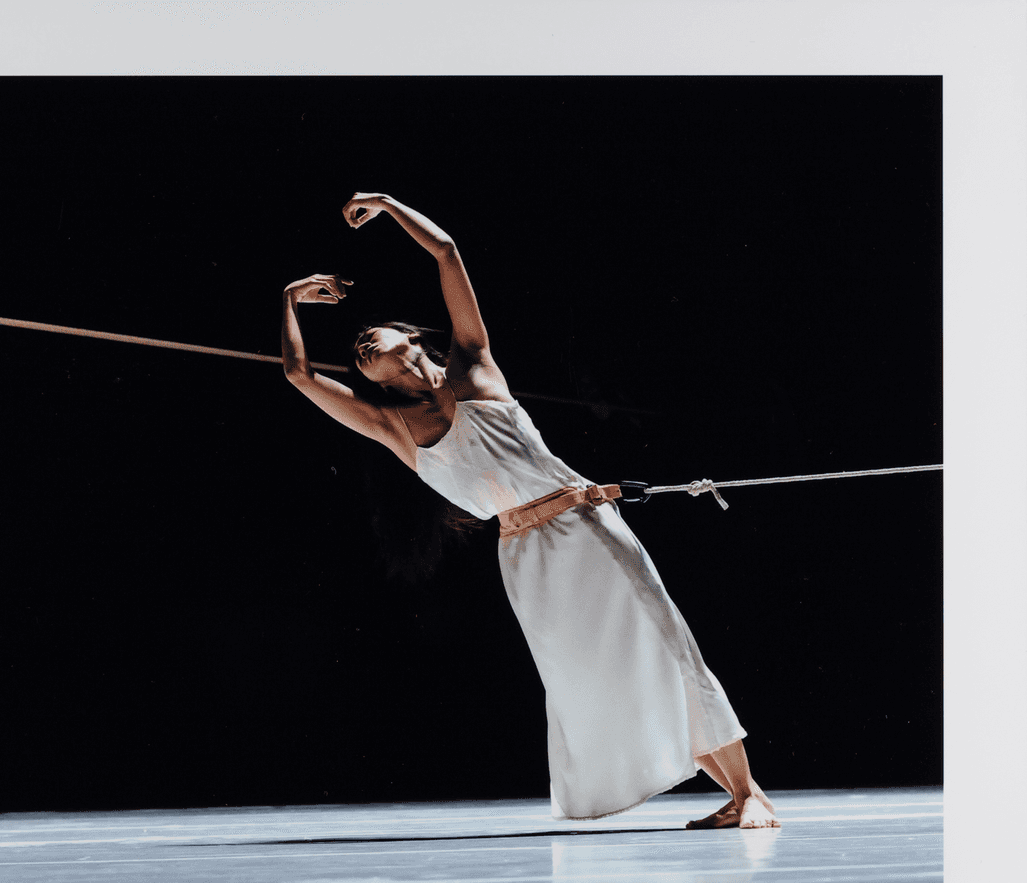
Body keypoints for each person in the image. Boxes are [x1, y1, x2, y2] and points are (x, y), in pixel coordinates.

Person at [279, 191, 779, 829]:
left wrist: (386, 205)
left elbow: (446, 252)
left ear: (410, 338)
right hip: (524, 556)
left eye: (383, 342)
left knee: (664, 648)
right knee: (593, 679)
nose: (375, 353)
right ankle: (734, 795)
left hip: (585, 525)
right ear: (374, 378)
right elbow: (298, 375)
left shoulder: (477, 367)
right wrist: (291, 300)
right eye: (366, 360)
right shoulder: (394, 427)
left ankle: (749, 793)